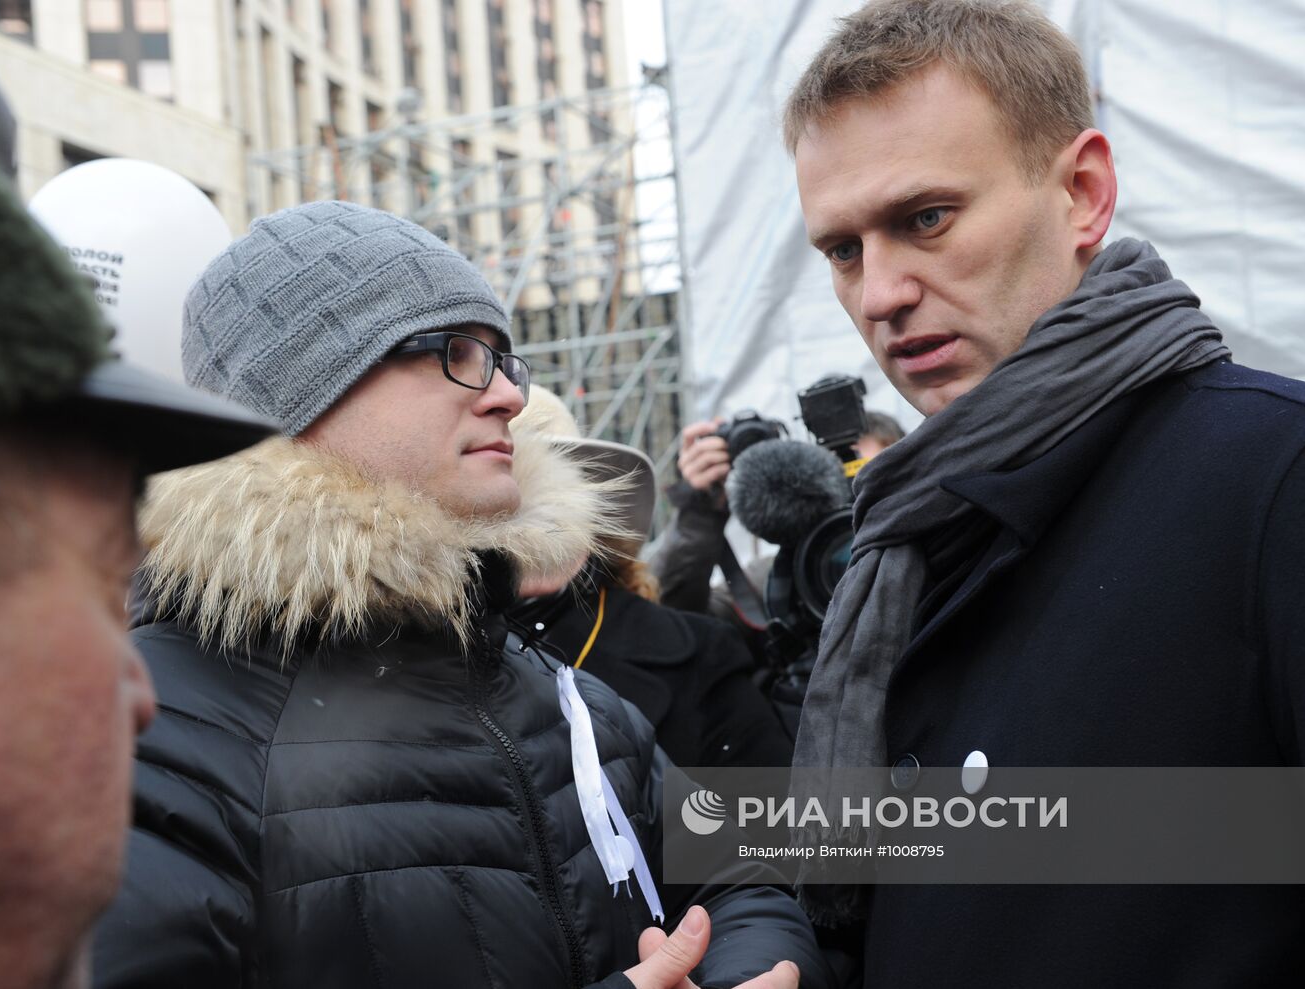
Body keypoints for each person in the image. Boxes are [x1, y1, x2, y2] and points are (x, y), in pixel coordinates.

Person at [90, 201, 832, 989]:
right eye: (456, 349)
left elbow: (742, 877)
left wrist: (752, 972)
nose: (507, 393)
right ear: (301, 389)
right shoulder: (141, 728)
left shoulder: (569, 697)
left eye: (504, 358)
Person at [784, 0, 1305, 985]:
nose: (879, 292)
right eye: (843, 250)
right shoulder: (902, 542)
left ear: (1082, 193)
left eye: (923, 218)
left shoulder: (1293, 478)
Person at [0, 134, 274, 989]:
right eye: (456, 355)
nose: (140, 695)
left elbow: (688, 874)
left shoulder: (619, 687)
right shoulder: (225, 721)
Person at [510, 388, 794, 769]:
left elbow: (774, 818)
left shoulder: (697, 657)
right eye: (510, 489)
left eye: (554, 487)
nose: (535, 518)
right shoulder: (414, 667)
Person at [650, 409, 903, 625]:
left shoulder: (934, 555)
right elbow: (674, 621)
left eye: (875, 482)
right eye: (844, 484)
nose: (856, 499)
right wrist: (701, 513)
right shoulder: (784, 581)